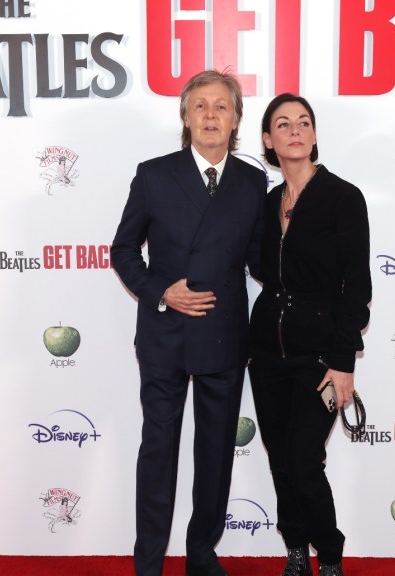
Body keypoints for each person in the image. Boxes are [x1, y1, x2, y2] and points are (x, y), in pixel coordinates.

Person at [110, 70, 266, 576]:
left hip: (223, 335)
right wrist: (161, 291)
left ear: (237, 119)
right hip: (164, 335)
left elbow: (262, 259)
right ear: (184, 117)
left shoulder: (252, 180)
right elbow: (124, 250)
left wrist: (307, 242)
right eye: (200, 106)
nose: (211, 116)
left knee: (217, 453)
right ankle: (149, 563)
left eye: (221, 106)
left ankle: (201, 554)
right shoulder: (154, 174)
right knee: (158, 451)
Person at [247, 94, 371, 576]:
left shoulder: (343, 197)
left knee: (303, 459)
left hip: (321, 354)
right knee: (280, 457)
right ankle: (295, 548)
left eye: (303, 122)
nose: (295, 130)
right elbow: (259, 266)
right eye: (283, 124)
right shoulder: (264, 203)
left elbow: (357, 286)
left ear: (315, 135)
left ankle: (331, 555)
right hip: (267, 352)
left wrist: (343, 361)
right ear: (268, 139)